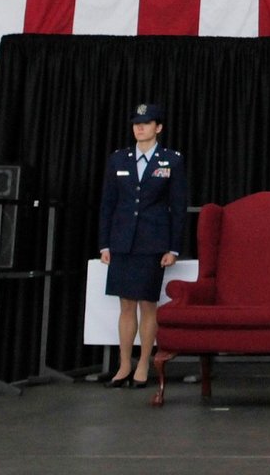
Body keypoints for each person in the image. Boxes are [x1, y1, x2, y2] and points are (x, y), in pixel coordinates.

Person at [98, 101, 188, 389]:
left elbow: (178, 205)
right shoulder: (118, 159)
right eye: (137, 123)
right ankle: (124, 365)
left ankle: (143, 364)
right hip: (123, 240)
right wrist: (104, 244)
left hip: (152, 241)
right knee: (126, 305)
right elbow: (108, 204)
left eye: (147, 123)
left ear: (158, 128)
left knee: (149, 305)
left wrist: (173, 248)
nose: (140, 127)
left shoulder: (171, 160)